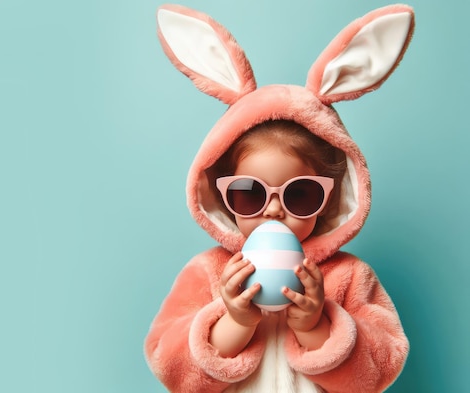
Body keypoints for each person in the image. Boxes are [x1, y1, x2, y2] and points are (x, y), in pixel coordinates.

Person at [146, 4, 414, 393]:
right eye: (249, 194)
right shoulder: (207, 274)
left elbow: (379, 370)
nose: (273, 210)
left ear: (332, 196)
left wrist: (318, 325)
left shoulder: (349, 278)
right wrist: (234, 322)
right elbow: (171, 368)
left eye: (299, 194)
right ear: (220, 195)